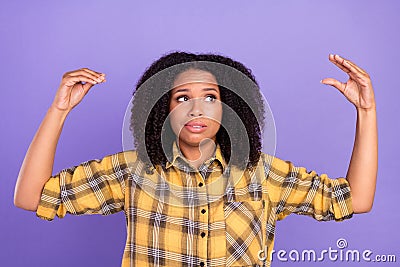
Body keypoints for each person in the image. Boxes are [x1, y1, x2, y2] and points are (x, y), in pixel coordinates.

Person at [14, 52, 377, 267]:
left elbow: (355, 199)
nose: (197, 108)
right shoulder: (133, 170)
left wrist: (366, 110)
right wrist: (59, 110)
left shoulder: (259, 172)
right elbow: (31, 197)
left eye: (210, 96)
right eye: (182, 98)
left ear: (229, 108)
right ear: (163, 111)